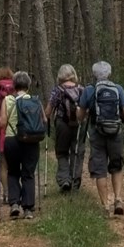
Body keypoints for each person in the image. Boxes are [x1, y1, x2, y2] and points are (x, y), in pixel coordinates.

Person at [85, 60, 124, 216]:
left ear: (94, 75)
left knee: (99, 169)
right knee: (116, 165)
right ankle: (118, 199)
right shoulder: (118, 88)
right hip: (116, 132)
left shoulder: (89, 90)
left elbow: (80, 114)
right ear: (109, 73)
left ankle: (105, 205)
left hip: (97, 133)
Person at [1, 73, 48, 217]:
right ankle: (28, 208)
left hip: (11, 139)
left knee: (13, 172)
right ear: (28, 85)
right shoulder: (35, 101)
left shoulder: (7, 100)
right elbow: (44, 120)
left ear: (14, 85)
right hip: (31, 139)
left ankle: (14, 203)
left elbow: (3, 122)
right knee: (28, 173)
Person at [46, 64, 88, 196]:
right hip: (79, 125)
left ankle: (65, 180)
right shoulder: (82, 89)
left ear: (60, 76)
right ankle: (75, 184)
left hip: (62, 124)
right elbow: (87, 109)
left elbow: (48, 112)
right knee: (77, 152)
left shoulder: (57, 90)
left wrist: (46, 120)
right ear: (73, 74)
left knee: (62, 152)